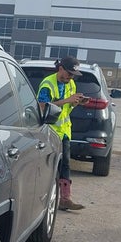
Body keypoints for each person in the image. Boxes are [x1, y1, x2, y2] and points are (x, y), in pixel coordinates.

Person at [37, 56, 87, 211]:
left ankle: (65, 199)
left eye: (73, 75)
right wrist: (67, 100)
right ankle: (40, 199)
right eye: (69, 73)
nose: (71, 77)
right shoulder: (48, 84)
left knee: (65, 165)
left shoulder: (70, 84)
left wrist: (76, 103)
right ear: (60, 69)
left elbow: (67, 108)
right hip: (49, 132)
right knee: (47, 166)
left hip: (64, 132)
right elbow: (42, 107)